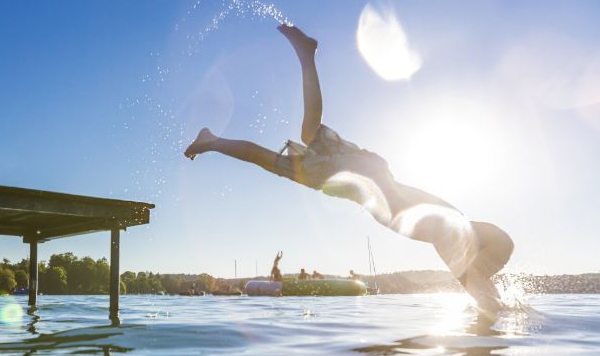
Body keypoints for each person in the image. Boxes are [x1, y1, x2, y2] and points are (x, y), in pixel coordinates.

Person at [184, 24, 513, 317]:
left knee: (308, 133)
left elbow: (501, 243)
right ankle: (214, 140)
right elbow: (492, 267)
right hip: (363, 181)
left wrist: (486, 282)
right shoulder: (450, 239)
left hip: (373, 170)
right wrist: (491, 301)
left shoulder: (455, 221)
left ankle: (302, 58)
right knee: (275, 161)